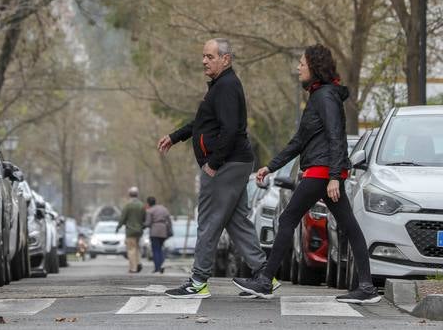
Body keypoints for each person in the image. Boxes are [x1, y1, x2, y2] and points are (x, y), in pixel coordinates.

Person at [233, 44, 381, 305]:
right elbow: (299, 141)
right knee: (349, 227)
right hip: (323, 172)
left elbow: (336, 137)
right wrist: (271, 166)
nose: (298, 67)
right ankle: (367, 287)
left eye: (302, 63)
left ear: (314, 66)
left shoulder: (325, 97)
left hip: (322, 172)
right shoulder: (319, 96)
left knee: (288, 217)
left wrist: (336, 175)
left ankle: (265, 279)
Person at [157, 38, 271, 299]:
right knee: (237, 222)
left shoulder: (227, 86)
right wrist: (175, 136)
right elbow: (202, 123)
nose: (204, 61)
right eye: (204, 56)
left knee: (208, 221)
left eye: (210, 56)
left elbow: (230, 130)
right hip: (235, 162)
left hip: (226, 165)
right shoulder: (221, 86)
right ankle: (265, 275)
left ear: (226, 59)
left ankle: (198, 281)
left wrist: (213, 164)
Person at [116, 186, 145, 274]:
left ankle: (133, 268)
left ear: (129, 195)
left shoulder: (128, 205)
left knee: (131, 249)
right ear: (137, 194)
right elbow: (144, 217)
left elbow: (123, 218)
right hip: (139, 230)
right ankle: (138, 262)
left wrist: (119, 226)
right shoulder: (141, 205)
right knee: (137, 248)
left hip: (130, 231)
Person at [145, 196, 172, 274]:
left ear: (148, 203)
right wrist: (169, 230)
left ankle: (157, 268)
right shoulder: (164, 209)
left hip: (154, 231)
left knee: (155, 249)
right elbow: (169, 221)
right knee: (160, 248)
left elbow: (148, 223)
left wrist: (143, 225)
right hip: (163, 231)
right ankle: (161, 265)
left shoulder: (150, 211)